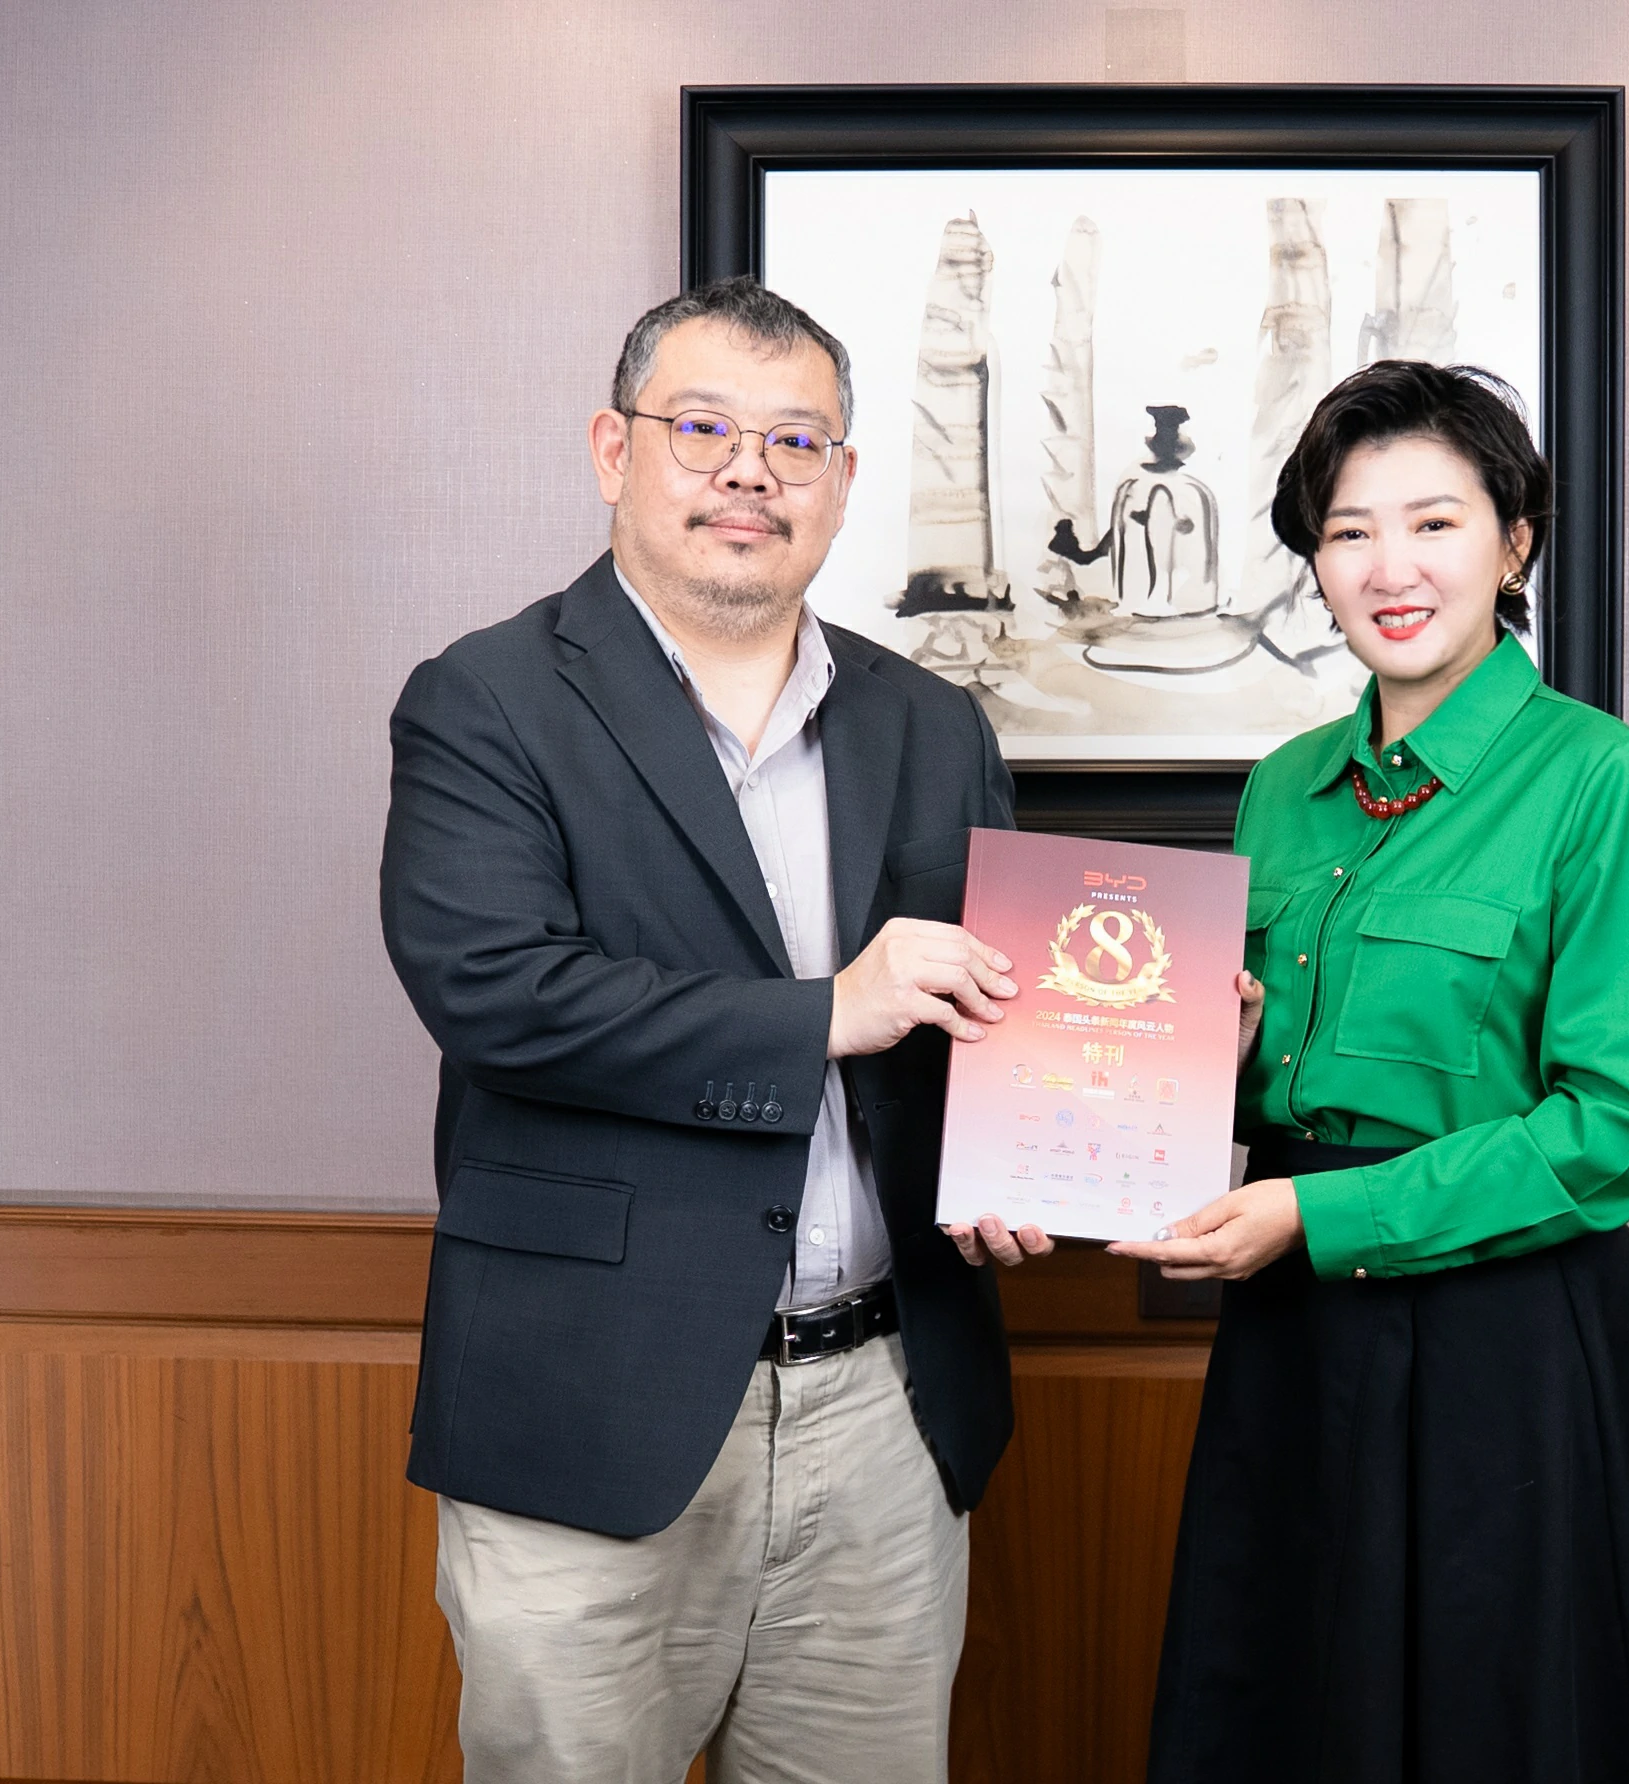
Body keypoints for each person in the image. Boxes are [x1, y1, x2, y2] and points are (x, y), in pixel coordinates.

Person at [379, 276, 1052, 1784]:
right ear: (613, 452)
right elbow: (499, 993)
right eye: (703, 429)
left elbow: (986, 1016)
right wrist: (829, 1012)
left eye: (795, 442)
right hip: (589, 1409)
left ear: (843, 481)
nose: (751, 472)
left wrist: (1065, 1117)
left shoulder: (930, 724)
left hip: (885, 1407)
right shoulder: (485, 701)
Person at [1116, 360, 1629, 1783]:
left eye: (1434, 524)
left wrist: (1319, 1217)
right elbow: (1262, 1078)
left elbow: (1614, 1129)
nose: (1389, 568)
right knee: (1285, 1711)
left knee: (1495, 1723)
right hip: (1292, 1327)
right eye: (1349, 531)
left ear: (1514, 544)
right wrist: (1201, 1067)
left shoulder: (1603, 780)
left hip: (1505, 1341)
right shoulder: (1282, 787)